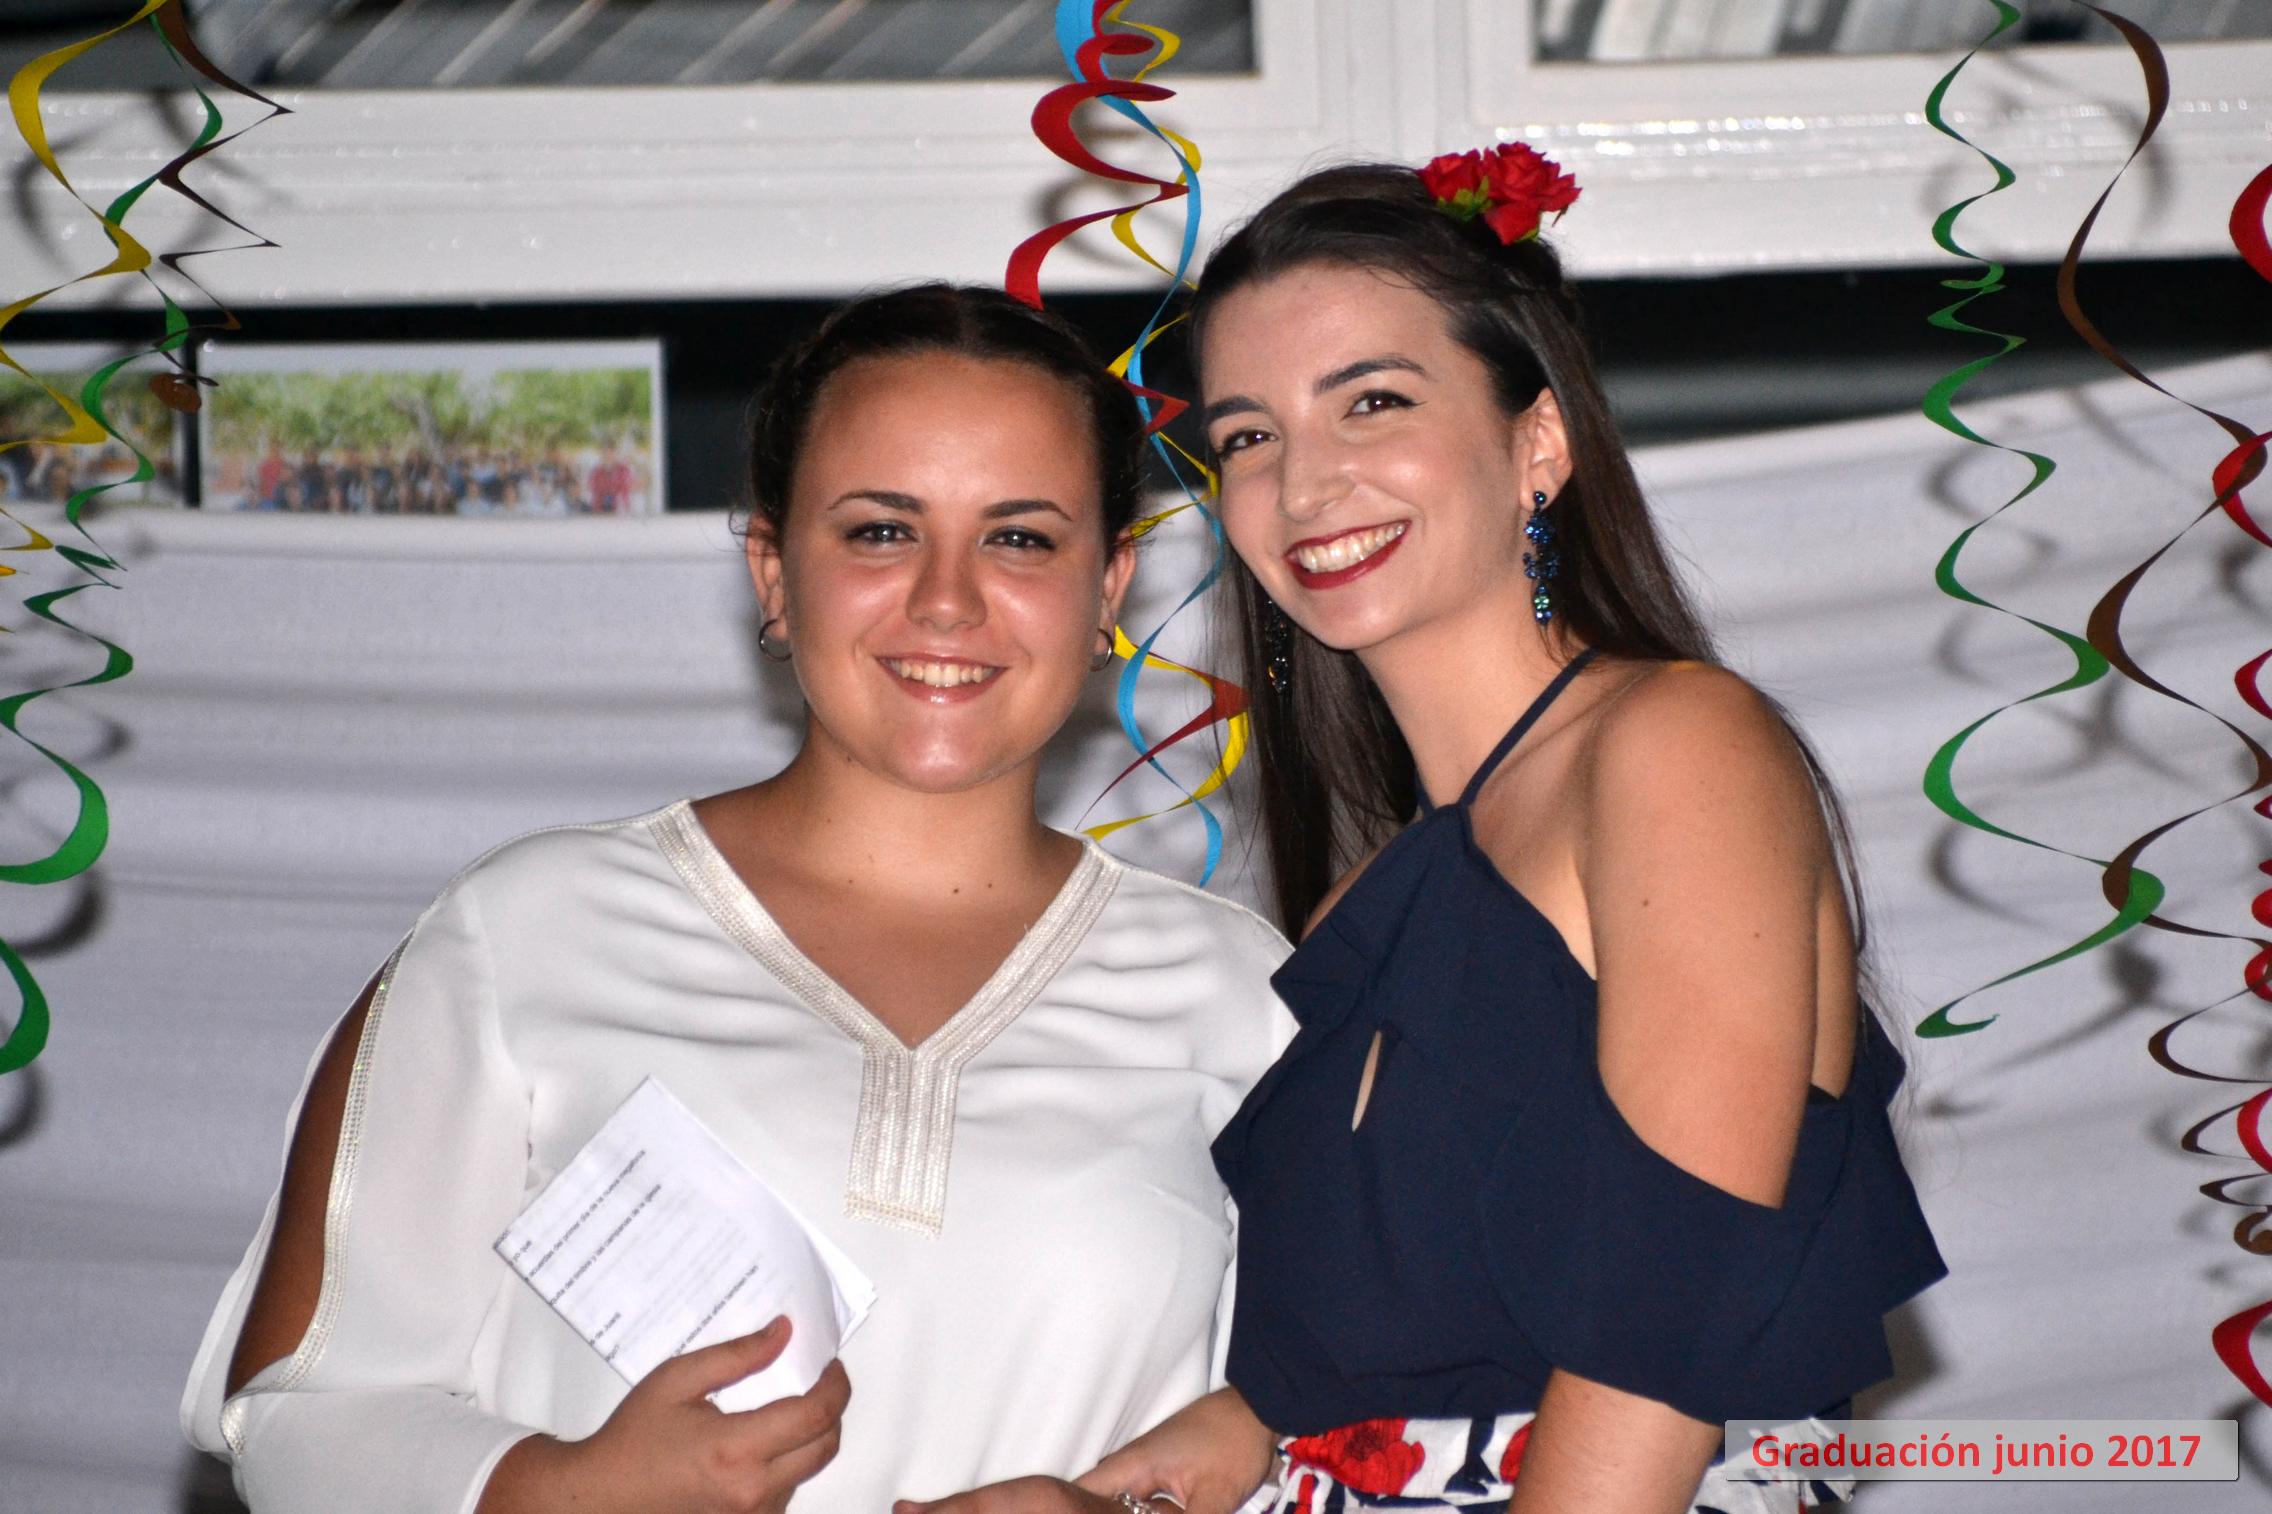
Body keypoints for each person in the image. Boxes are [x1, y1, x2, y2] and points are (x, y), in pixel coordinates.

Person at [915, 156, 1949, 1514]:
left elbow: (1660, 1333)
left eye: (1372, 401)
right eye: (1248, 436)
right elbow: (1416, 1347)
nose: (1304, 481)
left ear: (1539, 440)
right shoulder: (1363, 901)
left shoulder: (1674, 745)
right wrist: (1207, 1448)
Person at [180, 283, 1296, 1514]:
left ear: (1110, 588)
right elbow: (295, 1416)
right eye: (881, 530)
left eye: (1020, 538)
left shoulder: (1242, 993)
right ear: (774, 570)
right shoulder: (530, 931)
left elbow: (1353, 1440)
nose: (947, 598)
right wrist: (560, 1490)